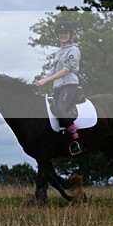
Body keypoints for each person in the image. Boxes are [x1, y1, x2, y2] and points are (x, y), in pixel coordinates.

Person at [34, 20, 83, 155]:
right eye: (61, 33)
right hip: (58, 88)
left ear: (70, 34)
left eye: (65, 33)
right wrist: (40, 81)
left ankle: (75, 140)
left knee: (61, 109)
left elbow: (66, 71)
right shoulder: (58, 53)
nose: (63, 35)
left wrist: (47, 80)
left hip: (69, 86)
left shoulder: (73, 50)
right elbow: (53, 71)